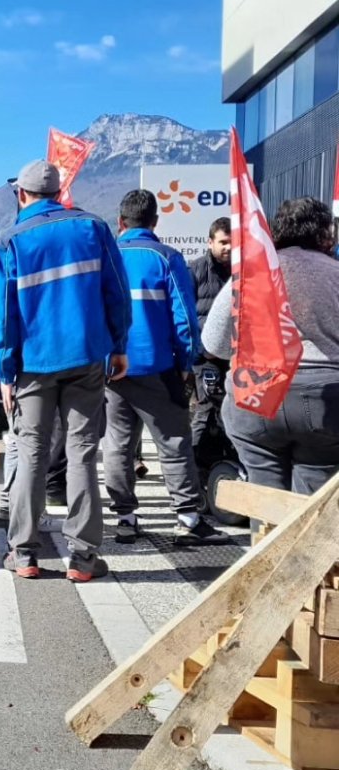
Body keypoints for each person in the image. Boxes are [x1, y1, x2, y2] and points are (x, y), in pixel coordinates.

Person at [0, 159, 131, 582]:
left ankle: (24, 554)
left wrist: (5, 372)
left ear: (22, 195)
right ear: (58, 193)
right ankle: (84, 559)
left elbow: (4, 317)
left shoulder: (10, 239)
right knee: (82, 452)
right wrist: (118, 345)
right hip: (86, 356)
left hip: (33, 363)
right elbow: (117, 293)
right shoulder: (93, 228)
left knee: (32, 454)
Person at [102, 190, 227, 546]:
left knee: (118, 445)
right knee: (173, 442)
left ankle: (125, 518)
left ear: (121, 222)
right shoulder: (167, 258)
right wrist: (186, 363)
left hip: (113, 371)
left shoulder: (105, 258)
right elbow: (185, 318)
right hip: (158, 367)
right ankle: (188, 519)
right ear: (155, 222)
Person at [203, 197, 339, 495]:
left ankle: (267, 535)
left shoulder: (251, 274)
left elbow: (214, 343)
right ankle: (307, 538)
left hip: (256, 396)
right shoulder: (335, 273)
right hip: (325, 401)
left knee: (264, 497)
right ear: (324, 234)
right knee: (315, 497)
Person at [188, 217, 232, 467]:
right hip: (207, 358)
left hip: (236, 358)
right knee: (206, 411)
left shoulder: (245, 271)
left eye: (233, 243)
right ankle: (195, 469)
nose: (228, 248)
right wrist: (205, 349)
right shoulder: (195, 270)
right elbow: (187, 315)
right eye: (223, 242)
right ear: (210, 242)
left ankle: (226, 463)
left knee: (232, 413)